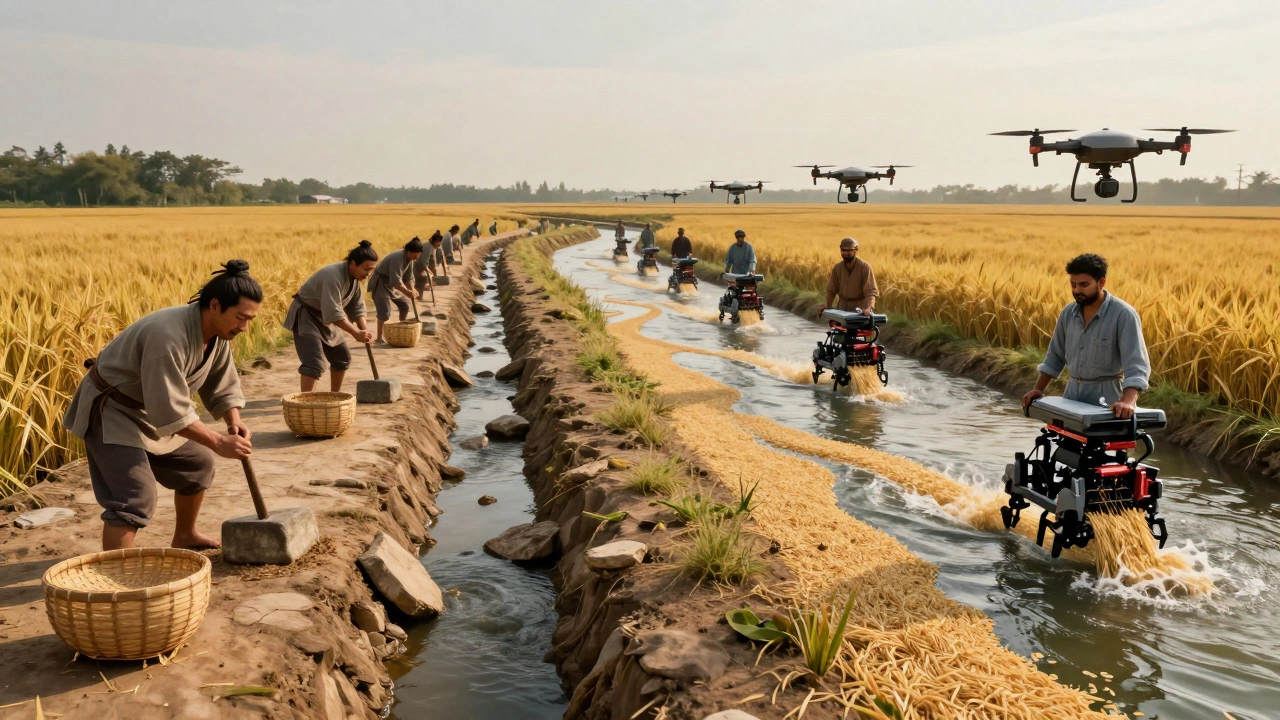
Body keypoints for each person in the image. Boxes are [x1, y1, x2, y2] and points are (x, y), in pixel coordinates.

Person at [62, 260, 261, 551]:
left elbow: (222, 382)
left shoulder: (218, 334)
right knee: (134, 497)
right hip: (113, 411)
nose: (244, 327)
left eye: (250, 320)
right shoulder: (167, 335)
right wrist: (218, 441)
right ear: (215, 306)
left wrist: (234, 420)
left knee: (197, 465)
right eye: (241, 317)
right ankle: (117, 573)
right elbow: (169, 409)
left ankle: (185, 535)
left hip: (149, 411)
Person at [1022, 253, 1151, 419]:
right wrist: (1038, 389)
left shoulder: (1123, 315)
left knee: (1104, 436)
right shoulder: (1068, 313)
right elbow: (1055, 356)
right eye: (1073, 285)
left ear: (1101, 282)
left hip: (1108, 399)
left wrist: (1127, 402)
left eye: (1084, 285)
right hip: (1072, 396)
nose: (1077, 290)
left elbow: (1136, 365)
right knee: (1065, 435)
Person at [284, 240, 377, 393]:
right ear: (353, 263)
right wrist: (355, 332)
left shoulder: (354, 280)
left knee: (342, 358)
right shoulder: (333, 276)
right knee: (314, 363)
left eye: (372, 270)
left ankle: (335, 396)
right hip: (307, 316)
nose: (368, 274)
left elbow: (357, 307)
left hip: (327, 319)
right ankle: (306, 401)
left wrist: (363, 330)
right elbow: (334, 313)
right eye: (366, 269)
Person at [368, 237, 423, 343]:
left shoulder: (410, 259)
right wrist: (407, 292)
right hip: (381, 282)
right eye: (416, 254)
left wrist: (412, 289)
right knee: (384, 312)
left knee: (405, 305)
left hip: (392, 285)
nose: (417, 257)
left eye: (419, 254)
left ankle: (402, 328)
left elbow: (408, 278)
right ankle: (379, 338)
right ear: (409, 251)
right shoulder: (397, 257)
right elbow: (395, 281)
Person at [823, 237, 878, 314]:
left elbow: (871, 291)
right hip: (842, 308)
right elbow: (831, 290)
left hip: (859, 310)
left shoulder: (865, 267)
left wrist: (869, 308)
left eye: (849, 251)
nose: (846, 253)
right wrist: (827, 306)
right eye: (843, 250)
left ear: (855, 250)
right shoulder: (837, 268)